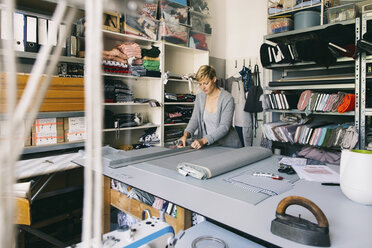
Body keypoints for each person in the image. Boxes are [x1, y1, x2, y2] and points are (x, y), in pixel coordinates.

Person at [178, 65, 241, 149]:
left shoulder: (227, 98)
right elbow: (194, 119)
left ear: (214, 79)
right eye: (200, 84)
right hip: (209, 146)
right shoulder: (200, 98)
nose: (203, 87)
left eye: (206, 83)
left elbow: (224, 127)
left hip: (228, 146)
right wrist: (185, 135)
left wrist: (203, 140)